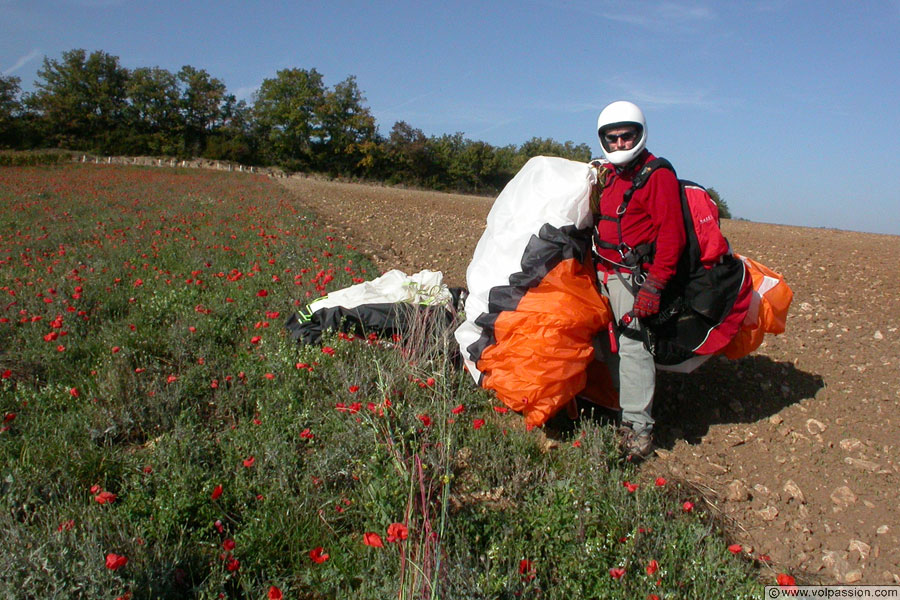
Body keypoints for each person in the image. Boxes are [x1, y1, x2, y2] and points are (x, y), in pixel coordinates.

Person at [591, 100, 686, 462]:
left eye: (625, 136)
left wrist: (654, 286)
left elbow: (672, 236)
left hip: (633, 279)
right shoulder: (610, 176)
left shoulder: (656, 174)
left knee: (633, 347)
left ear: (639, 134)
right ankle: (614, 406)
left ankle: (638, 430)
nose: (619, 144)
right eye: (611, 138)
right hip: (604, 272)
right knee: (607, 342)